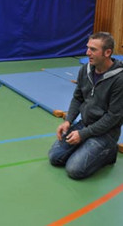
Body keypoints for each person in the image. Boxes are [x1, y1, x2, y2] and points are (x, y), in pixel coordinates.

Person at [48, 32, 123, 179]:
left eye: (93, 49)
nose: (87, 53)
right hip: (86, 124)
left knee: (74, 170)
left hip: (106, 133)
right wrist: (68, 121)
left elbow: (113, 117)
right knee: (54, 157)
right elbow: (78, 98)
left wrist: (83, 135)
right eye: (88, 48)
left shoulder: (119, 80)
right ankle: (87, 146)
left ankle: (109, 152)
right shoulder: (86, 69)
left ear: (107, 52)